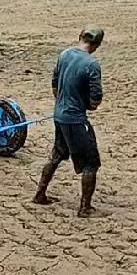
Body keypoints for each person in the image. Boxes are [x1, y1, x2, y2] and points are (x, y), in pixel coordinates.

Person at [33, 26, 104, 217]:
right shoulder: (91, 64)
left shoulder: (64, 54)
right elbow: (96, 99)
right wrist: (86, 106)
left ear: (80, 37)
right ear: (97, 45)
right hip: (76, 120)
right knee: (91, 163)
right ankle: (85, 208)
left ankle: (40, 194)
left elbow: (55, 84)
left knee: (57, 154)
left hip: (59, 115)